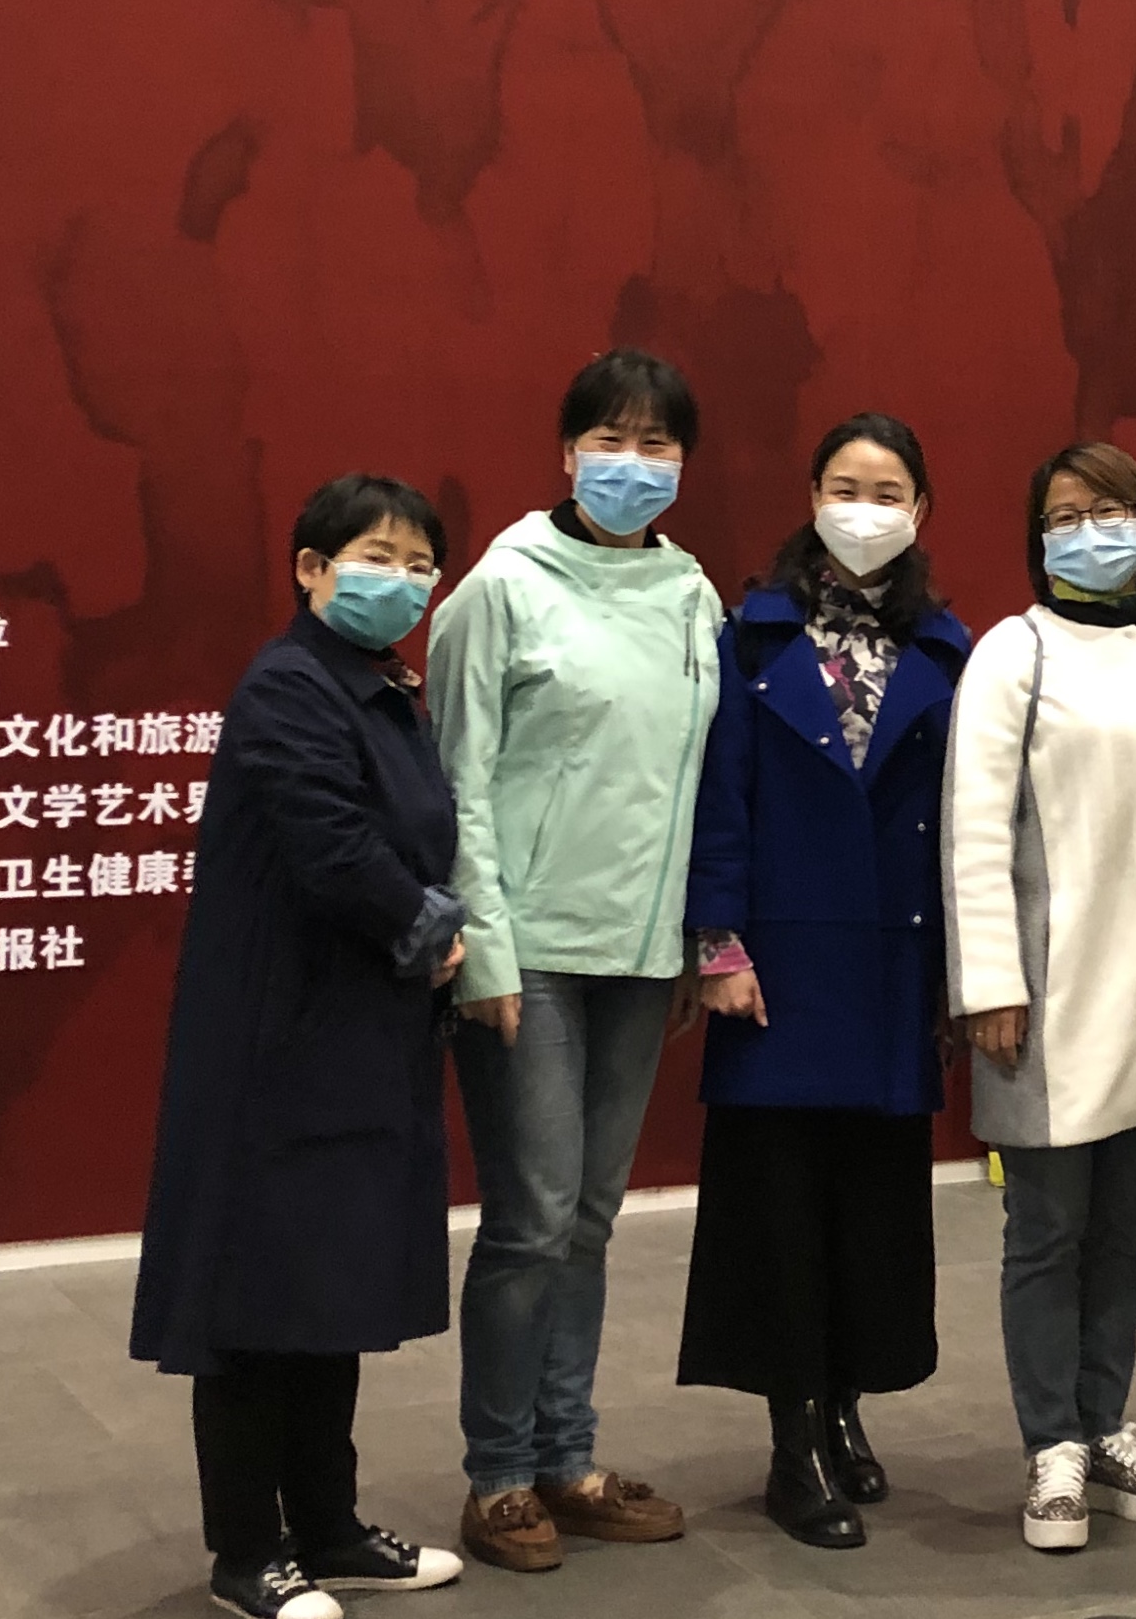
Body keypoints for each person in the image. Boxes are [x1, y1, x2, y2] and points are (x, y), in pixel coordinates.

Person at [131, 475, 472, 1619]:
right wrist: (429, 928)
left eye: (420, 565)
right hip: (275, 1044)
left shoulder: (380, 688)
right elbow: (332, 847)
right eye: (376, 557)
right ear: (311, 568)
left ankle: (329, 1528)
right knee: (255, 1302)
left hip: (357, 1037)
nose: (402, 581)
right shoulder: (290, 685)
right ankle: (247, 1552)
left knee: (331, 1291)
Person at [429, 349, 719, 1573]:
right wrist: (485, 952)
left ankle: (568, 1457)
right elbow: (458, 784)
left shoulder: (693, 593)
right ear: (566, 452)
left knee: (591, 1219)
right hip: (530, 955)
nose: (632, 464)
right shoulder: (499, 589)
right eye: (611, 439)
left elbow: (697, 783)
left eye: (658, 444)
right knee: (532, 1219)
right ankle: (499, 1476)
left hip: (639, 955)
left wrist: (692, 941)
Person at [676, 413, 973, 1549]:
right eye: (846, 486)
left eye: (888, 491)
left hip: (895, 961)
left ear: (921, 510)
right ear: (811, 497)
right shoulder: (751, 635)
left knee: (871, 1207)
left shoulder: (949, 648)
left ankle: (845, 1404)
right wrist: (718, 945)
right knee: (780, 1212)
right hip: (779, 966)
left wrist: (958, 976)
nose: (865, 509)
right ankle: (791, 1437)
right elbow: (721, 796)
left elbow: (965, 828)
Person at [944, 442, 1136, 1555]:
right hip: (1051, 1001)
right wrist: (990, 982)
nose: (1089, 529)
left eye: (1109, 509)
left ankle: (1107, 1424)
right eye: (1065, 514)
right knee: (1047, 1229)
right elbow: (975, 830)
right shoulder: (1012, 653)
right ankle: (1051, 1443)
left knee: (1125, 1230)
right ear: (1039, 537)